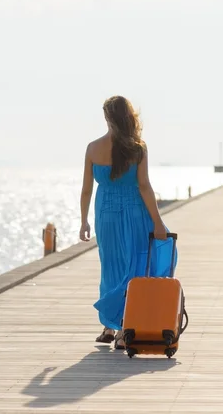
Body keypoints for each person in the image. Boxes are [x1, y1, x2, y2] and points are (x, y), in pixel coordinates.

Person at [79, 95, 177, 350]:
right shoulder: (138, 147)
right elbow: (144, 187)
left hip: (106, 214)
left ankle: (110, 327)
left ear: (108, 118)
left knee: (110, 267)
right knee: (133, 267)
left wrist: (83, 222)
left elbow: (86, 190)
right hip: (134, 212)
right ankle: (124, 328)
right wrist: (157, 222)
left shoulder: (92, 148)